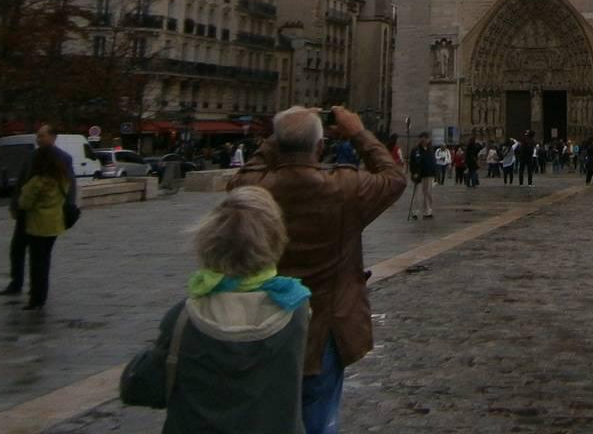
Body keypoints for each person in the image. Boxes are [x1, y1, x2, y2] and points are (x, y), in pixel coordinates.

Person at [232, 105, 406, 434]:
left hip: (264, 325)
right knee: (317, 417)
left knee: (266, 415)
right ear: (321, 146)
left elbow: (244, 174)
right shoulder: (343, 189)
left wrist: (280, 137)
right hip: (322, 329)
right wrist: (357, 132)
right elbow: (394, 177)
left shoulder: (254, 191)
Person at [120, 187, 311, 433]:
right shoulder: (296, 310)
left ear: (207, 242)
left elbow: (142, 388)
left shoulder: (183, 317)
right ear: (275, 241)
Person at [0, 123, 75, 299]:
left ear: (53, 137)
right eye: (38, 135)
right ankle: (16, 282)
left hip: (43, 214)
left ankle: (38, 293)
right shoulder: (32, 156)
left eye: (42, 136)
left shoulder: (63, 158)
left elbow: (70, 185)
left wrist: (69, 207)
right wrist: (14, 205)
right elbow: (21, 182)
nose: (38, 139)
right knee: (17, 248)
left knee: (39, 256)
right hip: (27, 212)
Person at [15, 143, 72, 310]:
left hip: (38, 224)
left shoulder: (38, 181)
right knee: (45, 260)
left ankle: (36, 297)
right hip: (55, 224)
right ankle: (42, 295)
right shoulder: (62, 179)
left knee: (36, 261)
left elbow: (24, 203)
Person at [407, 132, 435, 220]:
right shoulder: (416, 150)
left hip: (429, 174)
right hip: (418, 175)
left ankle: (428, 212)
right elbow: (412, 162)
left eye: (426, 138)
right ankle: (415, 212)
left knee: (428, 193)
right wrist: (413, 172)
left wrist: (435, 173)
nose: (424, 140)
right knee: (417, 194)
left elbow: (432, 161)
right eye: (422, 138)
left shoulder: (430, 149)